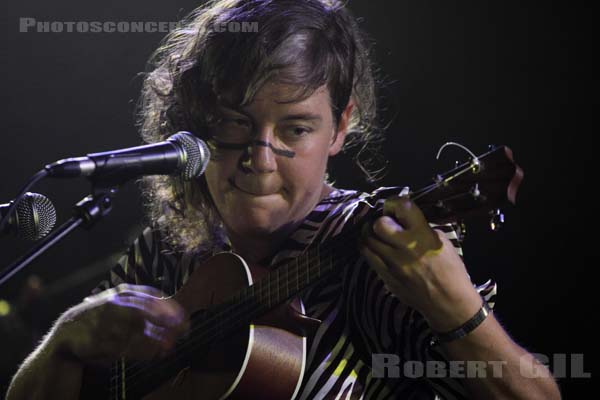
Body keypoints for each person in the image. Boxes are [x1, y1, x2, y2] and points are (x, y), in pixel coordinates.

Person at [7, 0, 561, 399]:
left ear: (341, 128)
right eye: (234, 122)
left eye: (295, 129)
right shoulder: (163, 252)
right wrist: (63, 342)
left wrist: (458, 313)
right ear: (196, 121)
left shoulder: (376, 255)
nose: (260, 157)